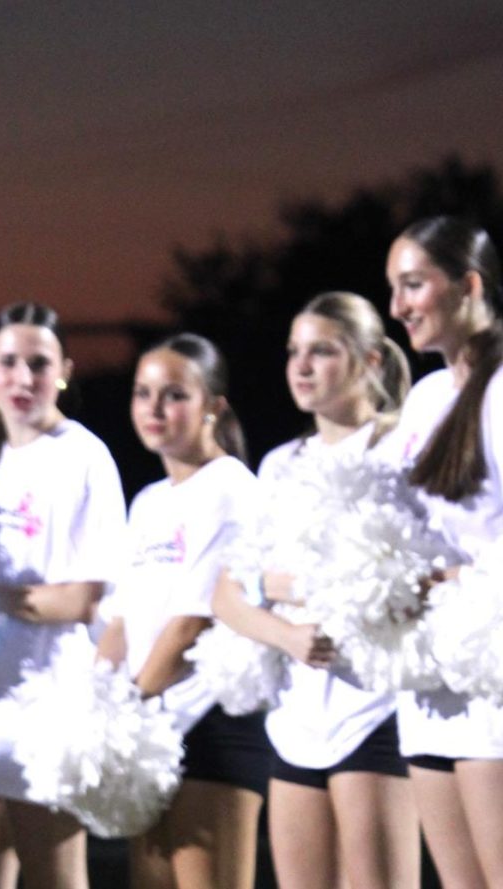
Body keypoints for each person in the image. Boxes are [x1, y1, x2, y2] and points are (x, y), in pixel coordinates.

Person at [210, 292, 419, 889]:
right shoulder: (280, 464)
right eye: (293, 351)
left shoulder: (400, 448)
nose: (301, 366)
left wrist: (284, 583)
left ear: (371, 361)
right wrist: (288, 633)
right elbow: (227, 593)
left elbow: (405, 574)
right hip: (297, 720)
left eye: (321, 351)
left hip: (376, 712)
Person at [0, 302, 125, 889]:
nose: (24, 378)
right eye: (10, 362)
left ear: (64, 371)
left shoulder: (84, 455)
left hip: (53, 710)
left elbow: (87, 599)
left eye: (39, 364)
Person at [96, 333, 268, 889]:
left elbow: (195, 623)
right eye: (142, 393)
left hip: (211, 727)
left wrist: (128, 704)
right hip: (149, 726)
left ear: (213, 407)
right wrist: (96, 703)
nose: (153, 407)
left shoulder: (230, 489)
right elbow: (120, 621)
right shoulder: (148, 501)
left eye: (173, 395)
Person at [383, 216, 503, 889]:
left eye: (413, 285)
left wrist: (456, 578)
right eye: (393, 289)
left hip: (493, 682)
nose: (398, 307)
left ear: (469, 286)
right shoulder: (426, 397)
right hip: (430, 683)